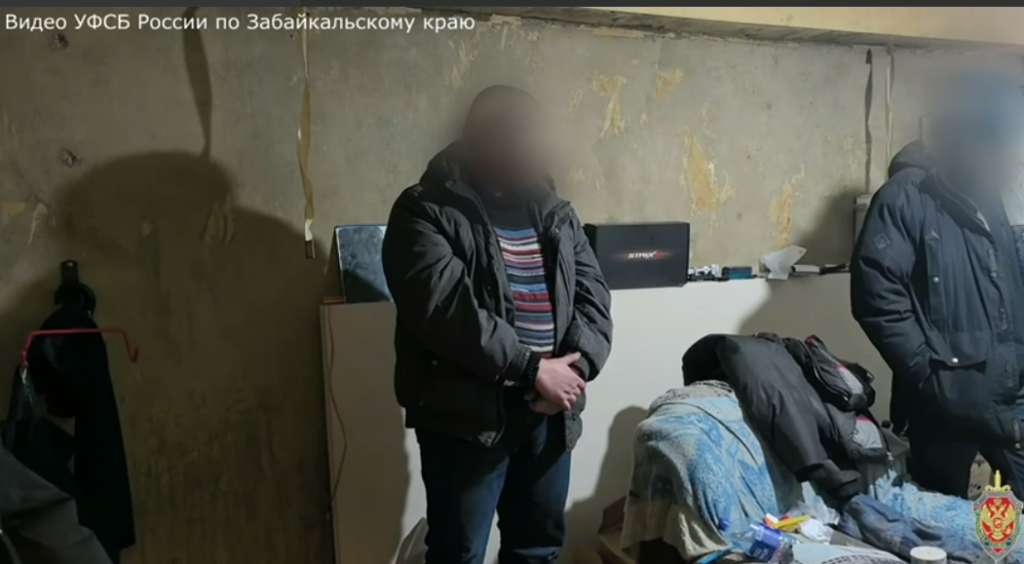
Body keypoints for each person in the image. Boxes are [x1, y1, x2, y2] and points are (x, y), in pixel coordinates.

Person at [381, 85, 613, 563]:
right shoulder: (424, 209)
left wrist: (574, 371)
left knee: (537, 549)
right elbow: (444, 311)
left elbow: (594, 298)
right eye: (512, 134)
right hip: (466, 420)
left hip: (549, 414)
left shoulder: (555, 211)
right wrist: (533, 368)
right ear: (478, 136)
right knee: (459, 552)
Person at [850, 71, 1024, 497]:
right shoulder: (905, 197)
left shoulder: (994, 196)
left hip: (1009, 393)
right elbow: (877, 297)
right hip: (941, 402)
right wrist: (929, 375)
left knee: (1011, 509)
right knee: (940, 515)